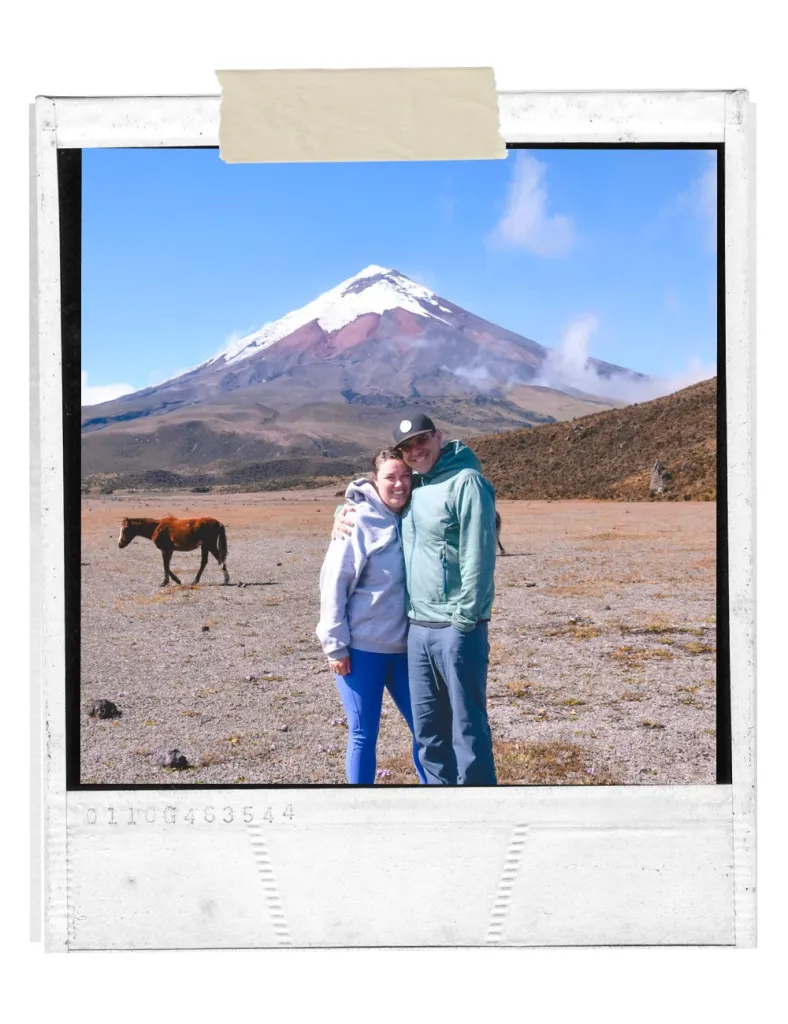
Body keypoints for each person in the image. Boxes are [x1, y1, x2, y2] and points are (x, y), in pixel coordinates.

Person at [335, 413, 498, 786]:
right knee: (428, 729)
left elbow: (480, 554)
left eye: (422, 440)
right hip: (417, 629)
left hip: (457, 627)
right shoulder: (416, 486)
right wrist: (344, 511)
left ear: (439, 436)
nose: (416, 450)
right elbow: (377, 499)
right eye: (407, 447)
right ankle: (440, 803)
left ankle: (480, 807)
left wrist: (466, 618)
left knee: (467, 724)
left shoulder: (466, 482)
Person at [317, 447, 427, 786]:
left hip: (406, 650)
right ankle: (359, 811)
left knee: (427, 729)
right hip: (363, 651)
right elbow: (334, 583)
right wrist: (335, 646)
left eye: (406, 476)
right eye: (390, 477)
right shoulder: (357, 520)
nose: (399, 484)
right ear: (374, 481)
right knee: (364, 732)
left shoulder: (416, 513)